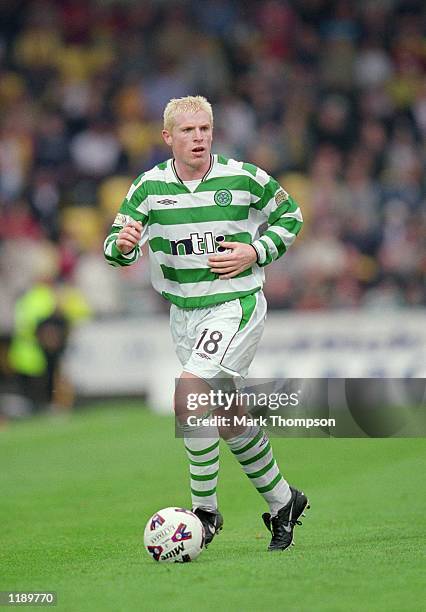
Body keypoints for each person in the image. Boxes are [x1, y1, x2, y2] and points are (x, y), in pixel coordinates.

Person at [104, 96, 309, 552]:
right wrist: (122, 243)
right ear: (168, 137)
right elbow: (114, 250)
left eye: (204, 129)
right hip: (185, 315)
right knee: (228, 415)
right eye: (188, 131)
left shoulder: (243, 177)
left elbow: (291, 216)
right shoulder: (148, 188)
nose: (198, 138)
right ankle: (284, 502)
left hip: (235, 305)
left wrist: (254, 251)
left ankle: (205, 512)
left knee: (189, 390)